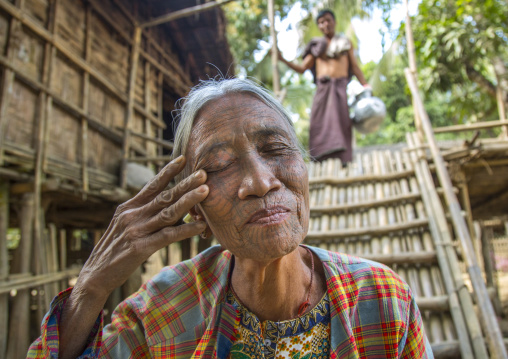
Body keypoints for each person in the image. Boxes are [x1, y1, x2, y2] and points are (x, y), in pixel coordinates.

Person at [27, 78, 432, 359]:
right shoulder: (163, 310)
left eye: (275, 147)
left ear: (304, 166)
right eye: (220, 165)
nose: (259, 181)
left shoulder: (382, 299)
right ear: (195, 205)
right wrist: (89, 290)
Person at [278, 9, 370, 163]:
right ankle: (319, 158)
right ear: (318, 26)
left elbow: (354, 67)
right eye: (321, 22)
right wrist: (282, 59)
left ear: (335, 22)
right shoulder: (317, 46)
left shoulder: (345, 43)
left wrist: (365, 85)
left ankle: (344, 161)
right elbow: (302, 68)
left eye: (327, 20)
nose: (325, 24)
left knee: (342, 122)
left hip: (340, 89)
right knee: (319, 122)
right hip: (323, 88)